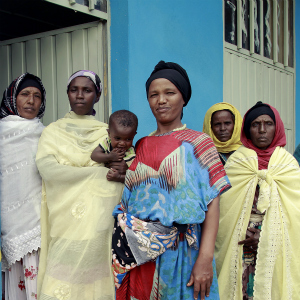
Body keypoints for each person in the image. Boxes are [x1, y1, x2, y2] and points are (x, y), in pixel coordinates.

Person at [111, 61, 231, 300]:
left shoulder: (200, 144)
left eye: (170, 93)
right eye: (153, 95)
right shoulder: (141, 145)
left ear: (183, 98)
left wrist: (205, 258)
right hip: (139, 255)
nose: (161, 100)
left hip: (183, 254)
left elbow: (212, 203)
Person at [36, 70, 125, 300]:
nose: (79, 95)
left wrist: (112, 173)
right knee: (61, 278)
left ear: (98, 95)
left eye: (87, 90)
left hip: (98, 223)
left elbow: (123, 169)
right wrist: (94, 175)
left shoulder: (109, 132)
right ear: (67, 94)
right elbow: (47, 168)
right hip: (64, 221)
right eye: (74, 90)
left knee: (93, 281)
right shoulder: (53, 132)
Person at [215, 101, 300, 300]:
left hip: (275, 248)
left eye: (268, 124)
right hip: (238, 243)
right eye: (255, 124)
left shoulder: (288, 165)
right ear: (246, 130)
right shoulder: (236, 162)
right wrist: (240, 228)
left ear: (277, 127)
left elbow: (295, 216)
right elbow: (224, 211)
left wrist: (264, 237)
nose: (262, 130)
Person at [0, 73, 46, 300]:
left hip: (41, 223)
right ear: (12, 99)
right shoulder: (1, 134)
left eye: (37, 96)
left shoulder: (46, 134)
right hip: (11, 224)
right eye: (25, 94)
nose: (31, 101)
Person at [91, 109, 137, 183]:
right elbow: (94, 155)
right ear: (109, 134)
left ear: (134, 135)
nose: (122, 143)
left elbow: (134, 177)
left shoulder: (131, 153)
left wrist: (120, 176)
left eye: (128, 139)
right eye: (117, 138)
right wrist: (109, 157)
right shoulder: (107, 142)